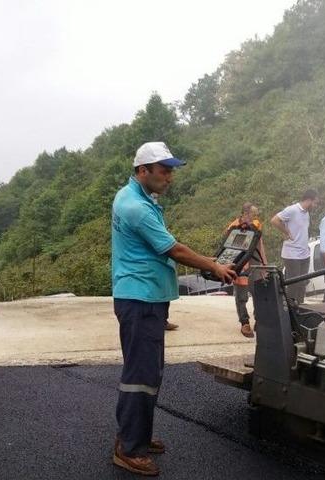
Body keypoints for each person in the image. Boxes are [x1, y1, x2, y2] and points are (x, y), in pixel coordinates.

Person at [111, 141, 237, 476]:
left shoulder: (137, 199)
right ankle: (128, 448)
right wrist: (215, 266)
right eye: (164, 170)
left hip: (147, 297)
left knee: (148, 372)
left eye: (171, 171)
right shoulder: (136, 207)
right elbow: (175, 250)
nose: (170, 177)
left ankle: (135, 434)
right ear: (143, 171)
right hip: (139, 300)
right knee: (141, 375)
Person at [225, 203, 266, 338]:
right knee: (241, 297)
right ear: (244, 213)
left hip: (255, 263)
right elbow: (229, 249)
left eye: (255, 215)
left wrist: (264, 265)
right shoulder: (233, 227)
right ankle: (244, 323)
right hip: (240, 263)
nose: (254, 218)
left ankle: (259, 321)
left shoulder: (256, 225)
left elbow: (260, 246)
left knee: (258, 294)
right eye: (252, 215)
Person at [270, 189, 318, 304]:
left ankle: (300, 307)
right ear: (309, 200)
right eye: (315, 203)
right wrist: (286, 232)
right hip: (292, 254)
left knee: (302, 283)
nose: (316, 206)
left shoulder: (306, 213)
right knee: (294, 284)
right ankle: (290, 309)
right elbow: (275, 220)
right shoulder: (292, 210)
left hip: (304, 254)